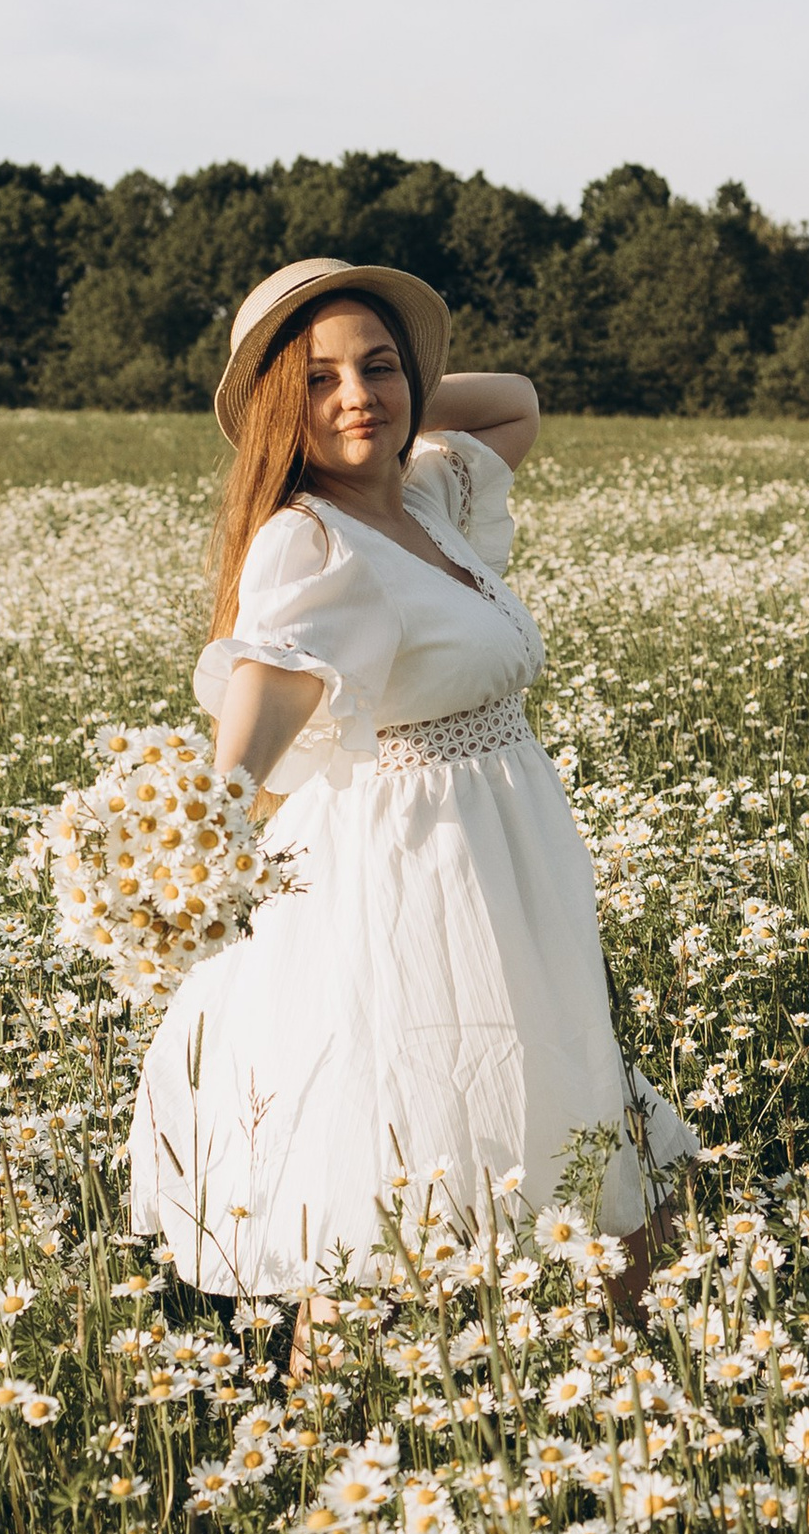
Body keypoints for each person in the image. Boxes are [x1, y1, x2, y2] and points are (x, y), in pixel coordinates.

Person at [128, 254, 692, 1313]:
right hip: (422, 882)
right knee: (397, 1186)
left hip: (506, 862)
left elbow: (516, 404)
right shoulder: (310, 540)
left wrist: (396, 391)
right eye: (317, 378)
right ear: (271, 410)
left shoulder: (428, 496)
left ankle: (638, 1409)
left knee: (574, 1152)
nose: (356, 397)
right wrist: (209, 818)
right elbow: (274, 681)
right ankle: (322, 1452)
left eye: (378, 368)